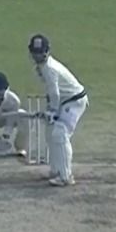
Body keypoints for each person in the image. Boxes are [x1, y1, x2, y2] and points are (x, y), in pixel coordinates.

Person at [28, 34, 88, 186]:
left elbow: (55, 93)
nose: (37, 55)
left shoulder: (49, 68)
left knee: (60, 133)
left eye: (40, 52)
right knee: (51, 132)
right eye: (35, 52)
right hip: (66, 101)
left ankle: (65, 176)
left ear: (46, 51)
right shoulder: (42, 67)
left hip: (75, 101)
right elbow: (51, 93)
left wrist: (53, 112)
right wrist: (49, 110)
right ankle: (56, 170)